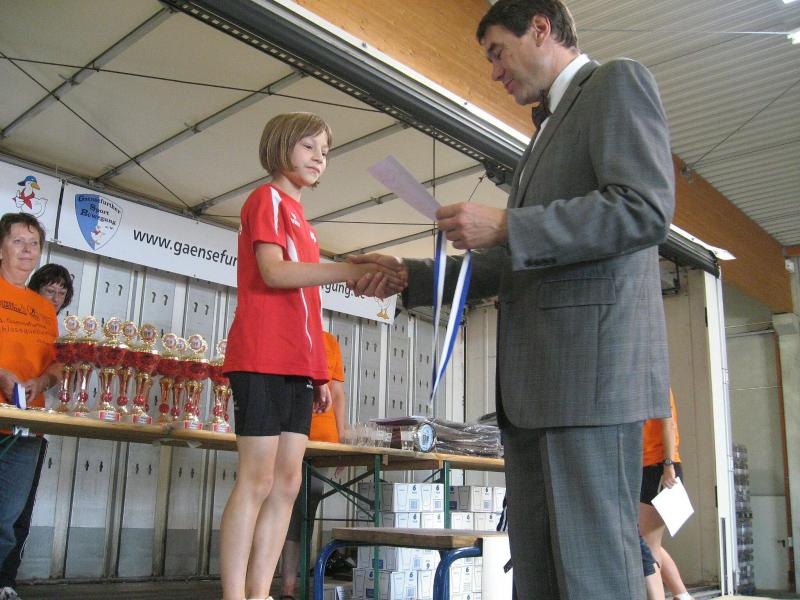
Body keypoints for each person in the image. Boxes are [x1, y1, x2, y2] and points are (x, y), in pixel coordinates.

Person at [350, 1, 675, 597]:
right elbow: (515, 260)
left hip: (590, 383)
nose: (494, 71)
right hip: (536, 391)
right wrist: (410, 276)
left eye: (498, 52)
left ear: (541, 28)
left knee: (593, 575)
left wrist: (508, 225)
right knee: (541, 573)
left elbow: (644, 208)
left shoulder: (615, 83)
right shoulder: (543, 135)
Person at [219, 112, 402, 600]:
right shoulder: (266, 199)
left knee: (287, 483)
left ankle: (260, 592)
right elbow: (275, 273)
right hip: (260, 355)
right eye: (308, 146)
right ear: (280, 146)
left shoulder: (307, 225)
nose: (320, 157)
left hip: (297, 364)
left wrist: (318, 371)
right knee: (256, 479)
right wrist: (347, 270)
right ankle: (234, 595)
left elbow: (308, 305)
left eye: (325, 150)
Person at [0, 264, 73, 600]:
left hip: (32, 427)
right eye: (49, 291)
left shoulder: (57, 330)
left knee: (17, 512)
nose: (55, 298)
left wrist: (43, 380)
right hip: (7, 419)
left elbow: (58, 369)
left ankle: (6, 579)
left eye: (62, 293)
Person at [278, 331, 347, 600]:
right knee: (281, 506)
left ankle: (289, 588)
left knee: (306, 512)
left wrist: (341, 442)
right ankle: (267, 586)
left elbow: (337, 394)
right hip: (287, 433)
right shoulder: (286, 332)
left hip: (323, 442)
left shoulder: (330, 341)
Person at [640, 389, 695, 600]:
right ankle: (682, 595)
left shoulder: (656, 384)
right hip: (648, 467)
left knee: (647, 545)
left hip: (658, 469)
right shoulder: (641, 383)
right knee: (648, 541)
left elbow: (668, 424)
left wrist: (668, 465)